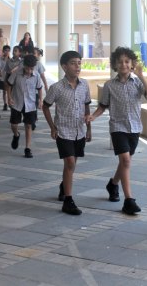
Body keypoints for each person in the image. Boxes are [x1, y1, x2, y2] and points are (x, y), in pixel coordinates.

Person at [87, 46, 147, 215]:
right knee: (125, 160)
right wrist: (93, 117)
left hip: (134, 127)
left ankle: (113, 184)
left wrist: (141, 75)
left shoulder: (138, 82)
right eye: (120, 62)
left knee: (124, 162)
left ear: (132, 63)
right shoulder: (110, 85)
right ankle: (129, 200)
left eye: (127, 61)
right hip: (117, 127)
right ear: (115, 65)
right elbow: (103, 105)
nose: (124, 65)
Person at [42, 51, 92, 215]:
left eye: (79, 62)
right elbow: (45, 106)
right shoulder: (56, 88)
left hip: (80, 131)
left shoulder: (84, 85)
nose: (77, 66)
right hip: (63, 131)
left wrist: (89, 128)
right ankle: (68, 201)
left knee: (72, 164)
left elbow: (86, 106)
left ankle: (64, 186)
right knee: (70, 163)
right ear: (64, 67)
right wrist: (52, 127)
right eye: (73, 63)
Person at [7, 54, 43, 158]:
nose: (29, 71)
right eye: (27, 68)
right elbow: (9, 85)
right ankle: (16, 135)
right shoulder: (16, 74)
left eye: (31, 68)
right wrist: (9, 98)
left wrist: (40, 100)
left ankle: (27, 148)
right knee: (14, 125)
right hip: (16, 103)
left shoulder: (36, 75)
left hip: (30, 104)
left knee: (28, 125)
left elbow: (39, 88)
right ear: (24, 65)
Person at [0, 45, 11, 111]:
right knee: (4, 92)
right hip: (3, 77)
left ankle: (10, 103)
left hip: (9, 78)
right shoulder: (0, 59)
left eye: (8, 51)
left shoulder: (11, 60)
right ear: (3, 51)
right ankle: (5, 104)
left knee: (10, 92)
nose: (7, 52)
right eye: (6, 50)